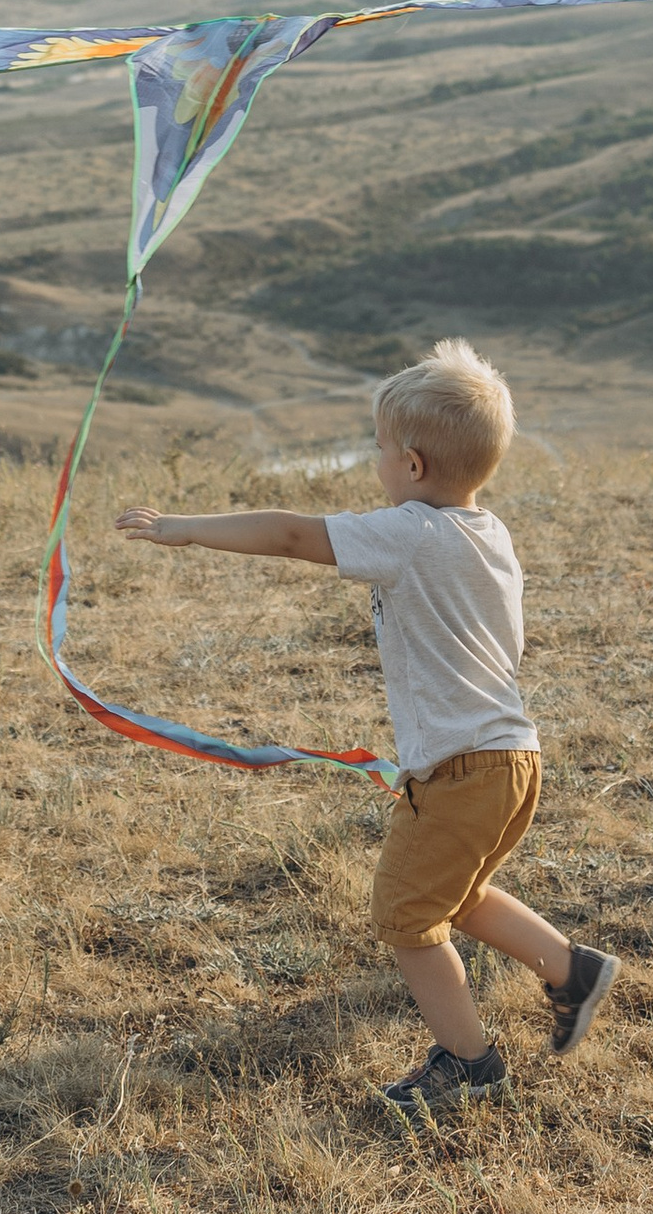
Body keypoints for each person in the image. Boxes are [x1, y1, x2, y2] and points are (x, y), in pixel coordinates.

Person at [116, 340, 618, 1121]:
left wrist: (186, 528)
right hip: (512, 758)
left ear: (413, 466)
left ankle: (471, 1065)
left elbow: (290, 535)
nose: (376, 466)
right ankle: (572, 972)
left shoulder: (410, 530)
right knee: (458, 891)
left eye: (381, 450)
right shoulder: (490, 534)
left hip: (461, 768)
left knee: (407, 919)